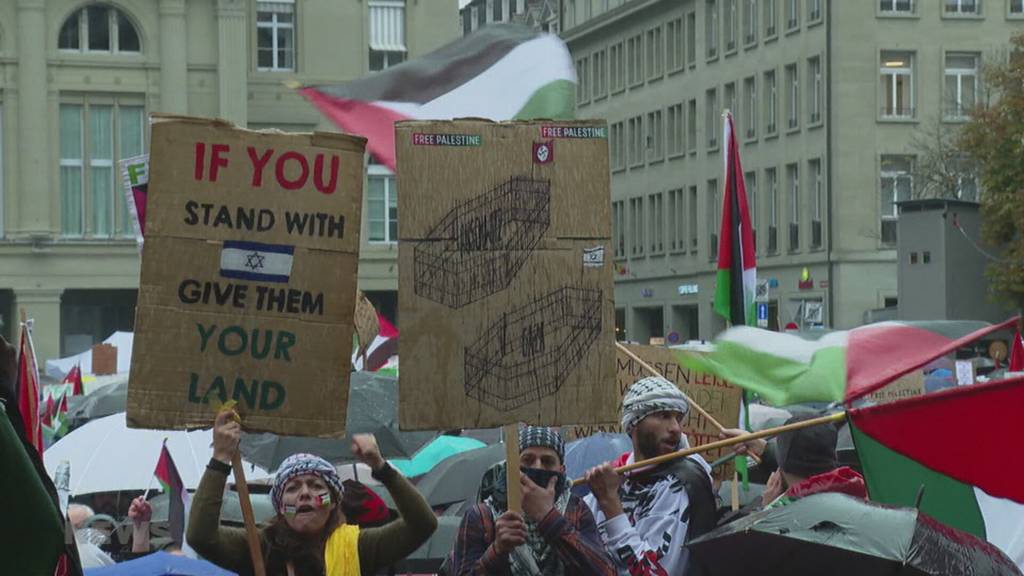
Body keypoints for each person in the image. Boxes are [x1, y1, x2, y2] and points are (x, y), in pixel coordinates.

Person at [187, 410, 437, 576]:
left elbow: (423, 525)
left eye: (317, 486)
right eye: (293, 488)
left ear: (332, 503)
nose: (304, 493)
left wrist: (381, 468)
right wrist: (220, 459)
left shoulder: (358, 547)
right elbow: (200, 537)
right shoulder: (258, 546)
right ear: (282, 507)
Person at [583, 376, 717, 576]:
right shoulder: (610, 480)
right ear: (634, 422)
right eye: (663, 416)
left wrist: (611, 505)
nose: (676, 429)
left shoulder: (679, 483)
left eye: (678, 418)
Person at [448, 426, 616, 576]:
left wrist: (549, 518)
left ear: (561, 470)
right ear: (512, 466)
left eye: (547, 461)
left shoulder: (576, 509)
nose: (537, 467)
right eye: (528, 460)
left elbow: (606, 571)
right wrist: (497, 550)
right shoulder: (481, 517)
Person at [760, 415, 866, 508]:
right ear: (834, 456)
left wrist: (767, 509)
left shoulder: (785, 511)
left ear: (781, 468)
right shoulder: (860, 489)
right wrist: (763, 449)